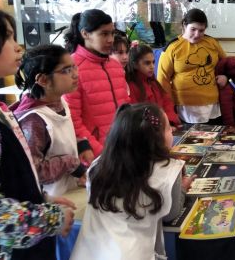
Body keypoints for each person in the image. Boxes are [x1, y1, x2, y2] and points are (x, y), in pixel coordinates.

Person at [70, 103, 195, 260]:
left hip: (90, 252)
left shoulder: (97, 165)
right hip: (136, 253)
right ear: (156, 138)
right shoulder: (169, 170)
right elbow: (171, 213)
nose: (172, 132)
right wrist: (182, 188)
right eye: (169, 128)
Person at [0, 10, 74, 260]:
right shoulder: (32, 117)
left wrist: (40, 198)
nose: (17, 47)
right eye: (8, 38)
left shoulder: (1, 110)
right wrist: (50, 218)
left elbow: (11, 176)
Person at [12, 44, 90, 196]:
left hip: (69, 192)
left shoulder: (60, 103)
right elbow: (34, 171)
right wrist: (70, 163)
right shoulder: (33, 120)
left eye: (74, 67)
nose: (75, 75)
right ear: (43, 80)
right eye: (66, 70)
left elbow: (57, 140)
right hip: (51, 201)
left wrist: (81, 144)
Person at [63, 9, 130, 160]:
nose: (111, 39)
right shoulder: (72, 66)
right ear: (85, 34)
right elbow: (73, 119)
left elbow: (126, 107)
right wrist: (101, 152)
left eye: (112, 33)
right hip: (96, 155)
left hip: (123, 147)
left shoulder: (115, 65)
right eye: (104, 34)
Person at [157, 8, 227, 124]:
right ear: (184, 25)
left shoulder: (212, 42)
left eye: (201, 30)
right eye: (193, 29)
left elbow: (228, 64)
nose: (197, 34)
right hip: (185, 108)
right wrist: (169, 107)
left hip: (212, 106)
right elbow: (162, 79)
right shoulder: (172, 47)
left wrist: (225, 76)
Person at [126, 41, 181, 127]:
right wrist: (160, 126)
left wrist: (169, 122)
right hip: (147, 131)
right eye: (147, 63)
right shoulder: (131, 86)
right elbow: (137, 115)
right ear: (135, 65)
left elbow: (167, 103)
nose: (152, 66)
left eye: (153, 62)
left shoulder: (153, 82)